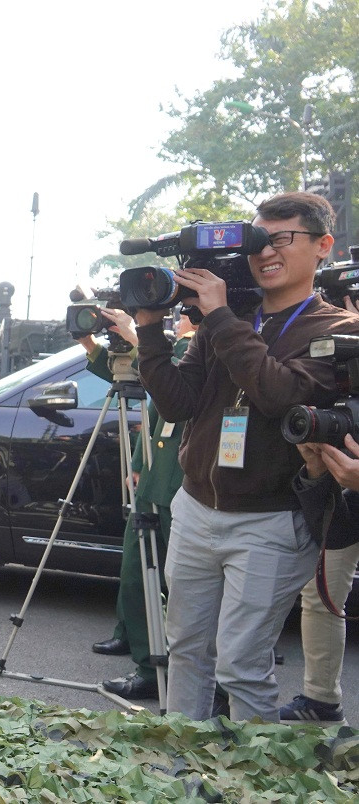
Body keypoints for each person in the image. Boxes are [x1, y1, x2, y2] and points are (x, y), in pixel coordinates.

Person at [134, 191, 359, 721]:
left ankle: (251, 769)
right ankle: (182, 759)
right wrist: (148, 330)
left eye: (281, 239)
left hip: (271, 521)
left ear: (323, 245)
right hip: (195, 508)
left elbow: (279, 394)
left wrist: (219, 316)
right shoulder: (231, 320)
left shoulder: (338, 329)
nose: (265, 252)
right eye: (257, 241)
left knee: (240, 664)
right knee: (186, 649)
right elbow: (179, 403)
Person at [81, 310, 199, 699]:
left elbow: (172, 382)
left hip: (181, 481)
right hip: (155, 475)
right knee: (136, 572)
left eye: (184, 311)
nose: (179, 318)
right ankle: (146, 659)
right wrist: (89, 342)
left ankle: (165, 671)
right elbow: (150, 407)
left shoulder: (199, 347)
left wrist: (138, 335)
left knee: (176, 585)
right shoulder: (173, 347)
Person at [280, 425, 359, 724]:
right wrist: (316, 467)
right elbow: (337, 535)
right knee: (320, 593)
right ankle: (321, 702)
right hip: (347, 488)